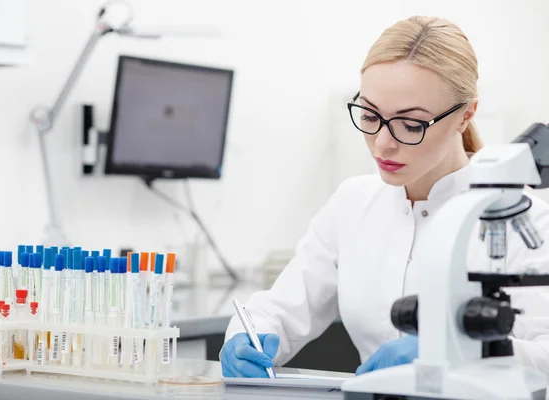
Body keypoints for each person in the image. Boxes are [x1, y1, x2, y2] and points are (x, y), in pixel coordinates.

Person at [220, 16, 549, 379]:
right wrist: (247, 334)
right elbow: (283, 308)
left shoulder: (525, 218)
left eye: (411, 125)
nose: (382, 143)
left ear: (465, 115)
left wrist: (460, 352)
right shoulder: (353, 202)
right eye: (370, 115)